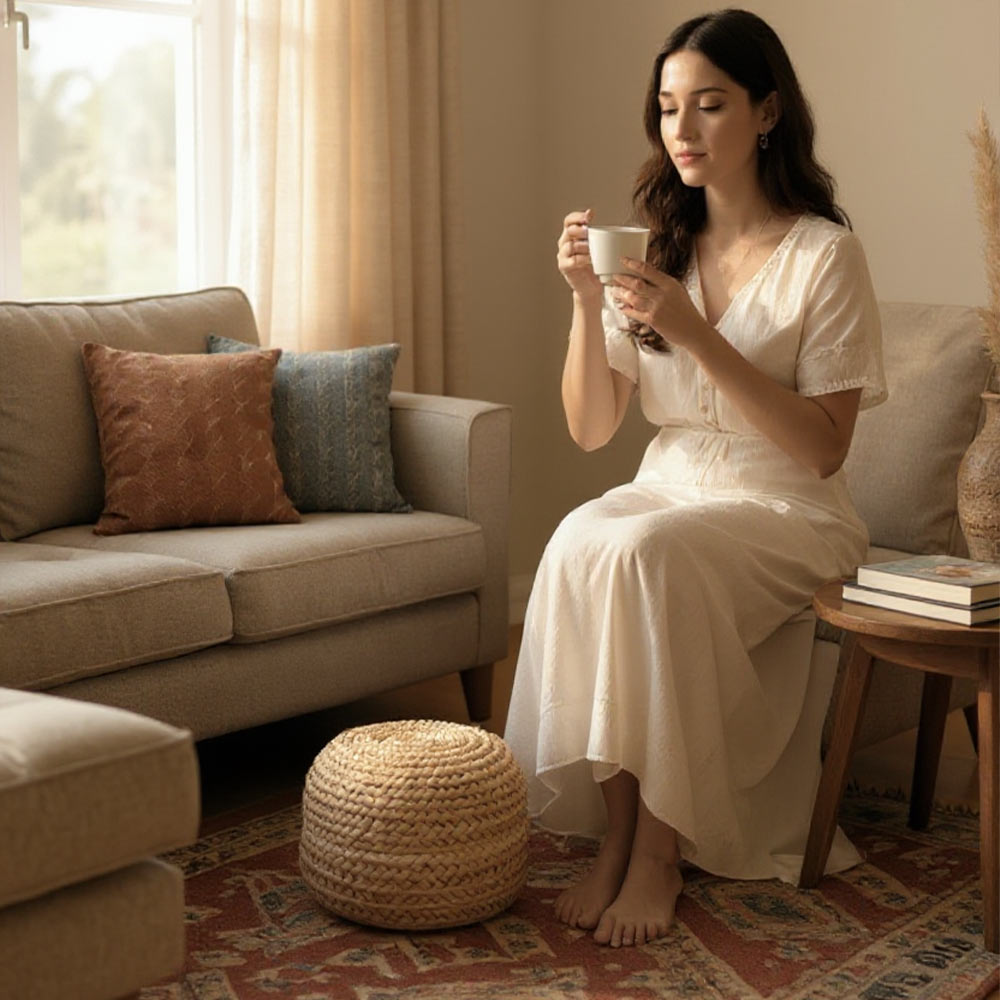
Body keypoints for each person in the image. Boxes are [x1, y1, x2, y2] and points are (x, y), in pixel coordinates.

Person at [503, 8, 887, 950]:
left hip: (787, 504)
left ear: (766, 113)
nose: (681, 129)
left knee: (641, 551)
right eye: (669, 107)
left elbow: (824, 448)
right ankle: (619, 830)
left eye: (708, 105)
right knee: (581, 538)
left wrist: (696, 336)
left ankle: (659, 855)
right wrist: (587, 301)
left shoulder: (824, 255)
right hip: (667, 481)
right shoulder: (654, 251)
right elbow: (593, 428)